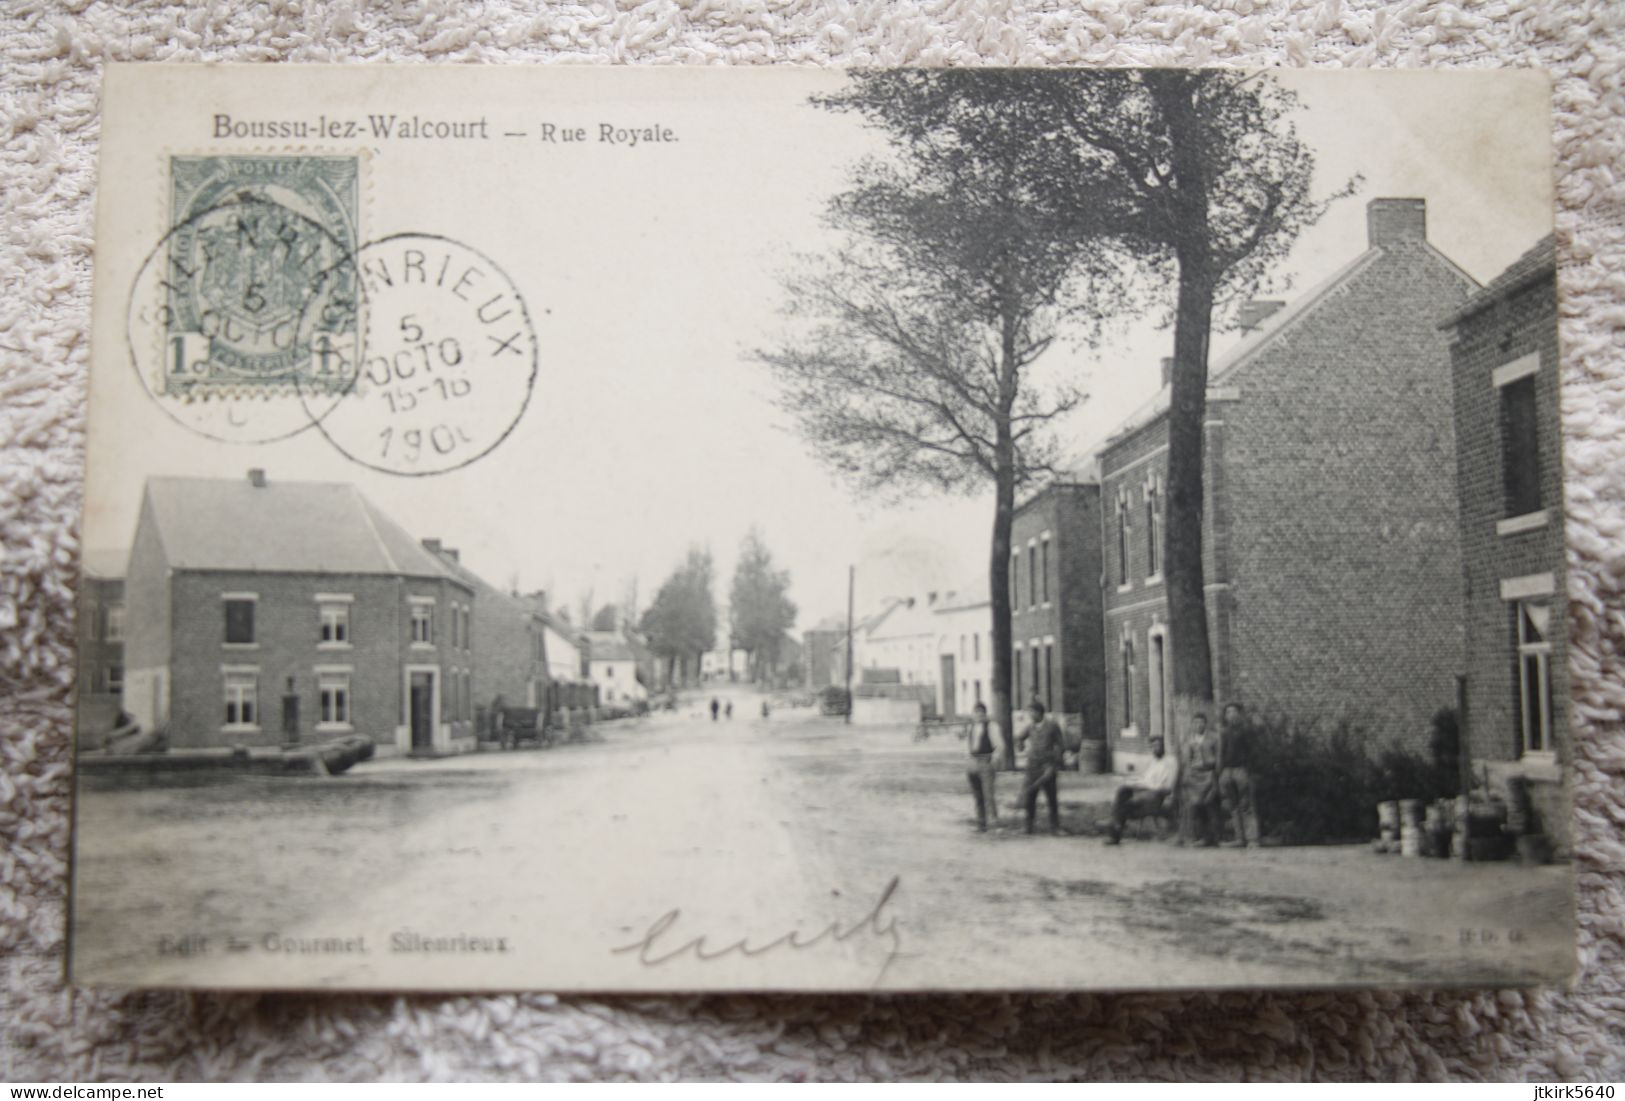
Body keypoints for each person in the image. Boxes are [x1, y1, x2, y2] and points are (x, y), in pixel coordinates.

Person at [1104, 736, 1178, 844]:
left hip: (1156, 795)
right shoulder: (1154, 762)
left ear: (1163, 746)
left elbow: (1168, 786)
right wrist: (1134, 782)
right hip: (1145, 790)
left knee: (1123, 805)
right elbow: (1145, 778)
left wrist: (1144, 786)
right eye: (1153, 746)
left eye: (1158, 746)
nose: (1155, 748)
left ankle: (1115, 828)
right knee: (1123, 790)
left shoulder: (1170, 762)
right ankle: (1116, 826)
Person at [1016, 699, 1064, 835]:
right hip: (1033, 766)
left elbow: (1061, 745)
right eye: (1029, 712)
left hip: (1047, 767)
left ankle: (1055, 827)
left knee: (1051, 797)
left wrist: (1055, 764)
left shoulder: (1052, 726)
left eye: (1032, 712)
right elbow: (1019, 738)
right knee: (1030, 796)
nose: (1030, 715)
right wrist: (1021, 746)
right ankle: (1028, 826)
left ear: (1039, 712)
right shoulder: (1030, 727)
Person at [1218, 701, 1260, 848]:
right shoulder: (1224, 732)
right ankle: (1239, 838)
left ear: (1239, 714)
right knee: (1233, 805)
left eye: (1234, 711)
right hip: (1227, 771)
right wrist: (1221, 771)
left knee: (1246, 804)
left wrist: (1250, 770)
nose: (1231, 715)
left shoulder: (1247, 730)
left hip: (1242, 769)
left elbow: (1253, 751)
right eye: (1228, 712)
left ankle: (1252, 839)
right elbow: (1221, 754)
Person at [1177, 711, 1220, 847]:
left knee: (1208, 804)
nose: (1198, 725)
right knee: (1192, 805)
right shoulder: (1189, 739)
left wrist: (1215, 772)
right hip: (1193, 777)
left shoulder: (1214, 738)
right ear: (1192, 724)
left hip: (1208, 775)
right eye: (1195, 722)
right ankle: (1191, 836)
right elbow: (1185, 760)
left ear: (1205, 724)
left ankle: (1212, 837)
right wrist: (1186, 775)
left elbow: (1218, 758)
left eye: (1201, 722)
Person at [964, 702, 1000, 832]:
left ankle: (994, 823)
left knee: (988, 794)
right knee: (977, 794)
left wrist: (994, 760)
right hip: (973, 761)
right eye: (976, 712)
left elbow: (998, 745)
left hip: (986, 760)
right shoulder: (971, 727)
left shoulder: (991, 726)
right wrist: (968, 760)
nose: (978, 715)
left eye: (981, 712)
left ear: (985, 714)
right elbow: (967, 746)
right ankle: (981, 822)